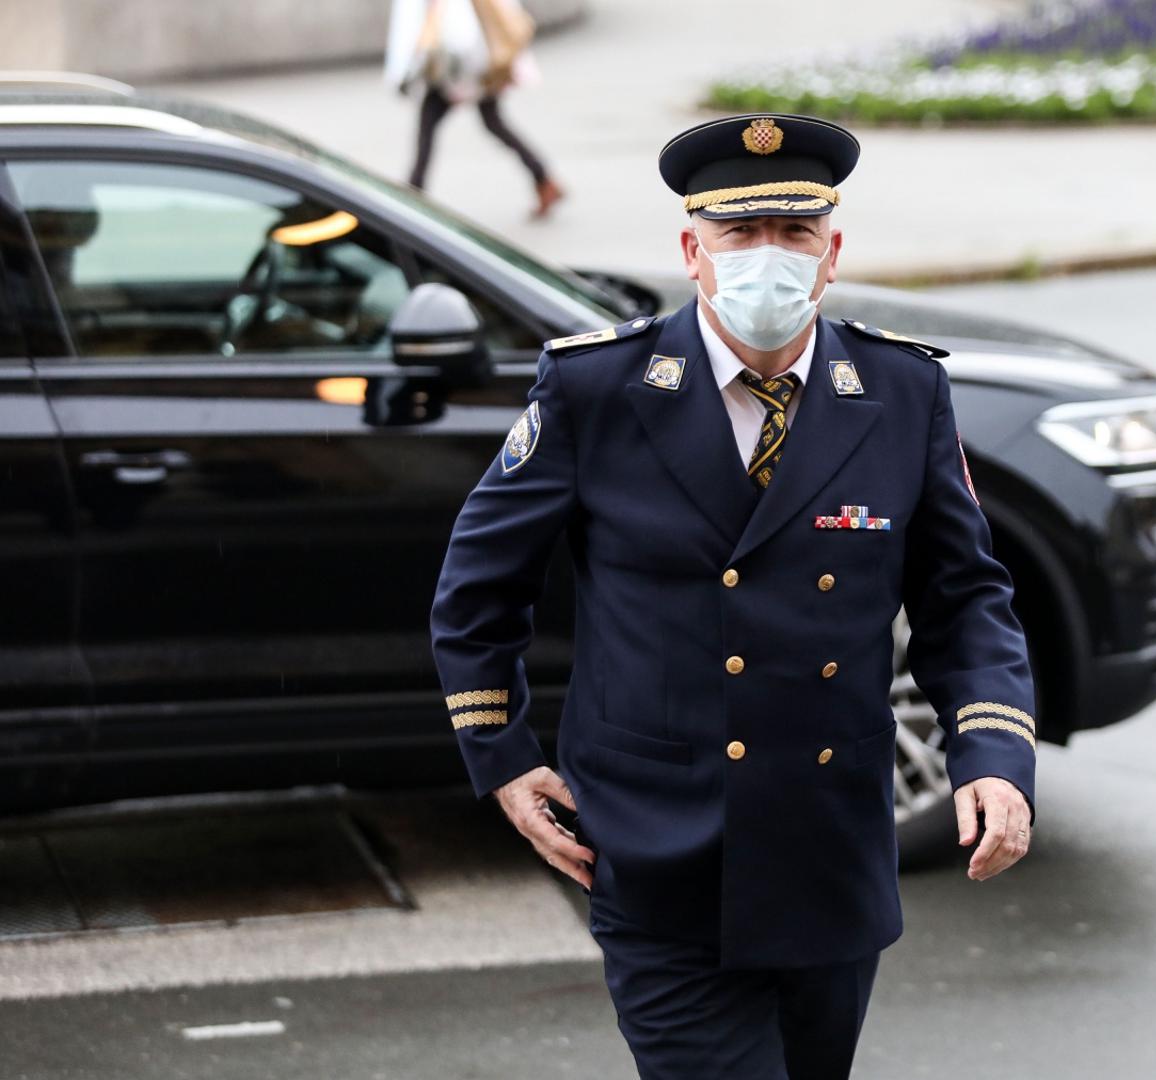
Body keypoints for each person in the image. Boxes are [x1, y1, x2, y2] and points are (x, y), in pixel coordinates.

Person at [430, 113, 1037, 1080]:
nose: (768, 258)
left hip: (829, 851)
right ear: (693, 250)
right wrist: (500, 755)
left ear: (831, 253)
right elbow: (478, 586)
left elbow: (965, 598)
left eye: (794, 235)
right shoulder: (597, 388)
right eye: (738, 234)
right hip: (659, 846)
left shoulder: (900, 389)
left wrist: (995, 752)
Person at [384, 0, 565, 218]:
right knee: (492, 123)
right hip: (474, 65)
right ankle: (543, 178)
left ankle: (414, 194)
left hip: (464, 68)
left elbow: (458, 32)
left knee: (431, 124)